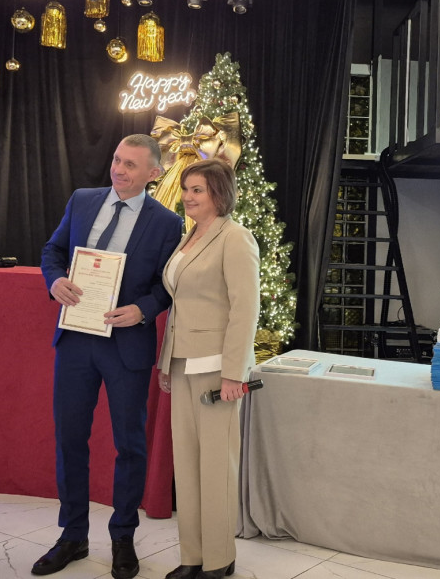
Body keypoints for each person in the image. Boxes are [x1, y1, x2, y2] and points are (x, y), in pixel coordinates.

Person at [35, 134, 183, 578]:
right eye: (117, 160)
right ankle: (72, 536)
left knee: (129, 446)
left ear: (153, 173)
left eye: (131, 165)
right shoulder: (83, 200)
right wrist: (54, 280)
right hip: (76, 340)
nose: (119, 169)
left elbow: (167, 286)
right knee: (69, 439)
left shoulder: (167, 223)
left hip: (126, 346)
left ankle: (123, 537)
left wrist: (143, 309)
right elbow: (52, 250)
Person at [157, 158, 260, 579]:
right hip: (183, 362)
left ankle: (219, 560)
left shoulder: (235, 238)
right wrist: (167, 362)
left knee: (216, 465)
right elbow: (181, 305)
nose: (187, 196)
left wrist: (235, 372)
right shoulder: (189, 237)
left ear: (219, 194)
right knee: (188, 465)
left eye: (197, 189)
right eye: (186, 189)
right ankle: (192, 556)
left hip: (218, 369)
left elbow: (245, 309)